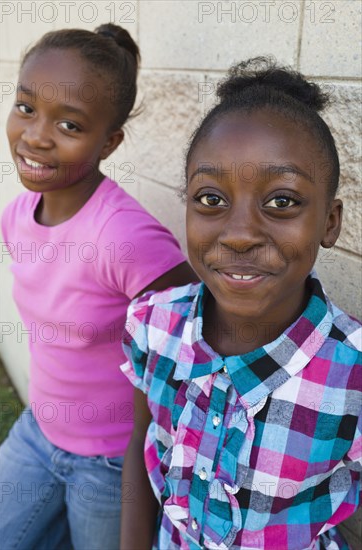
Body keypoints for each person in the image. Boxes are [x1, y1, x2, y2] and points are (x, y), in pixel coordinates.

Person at [120, 57, 361, 549]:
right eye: (211, 199)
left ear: (330, 223)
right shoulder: (154, 324)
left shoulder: (352, 371)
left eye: (281, 201)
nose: (241, 234)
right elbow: (140, 450)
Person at [0, 23, 196, 550]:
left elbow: (192, 332)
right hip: (39, 433)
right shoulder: (17, 217)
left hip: (108, 463)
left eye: (68, 124)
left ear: (109, 141)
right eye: (25, 108)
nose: (37, 135)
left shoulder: (125, 237)